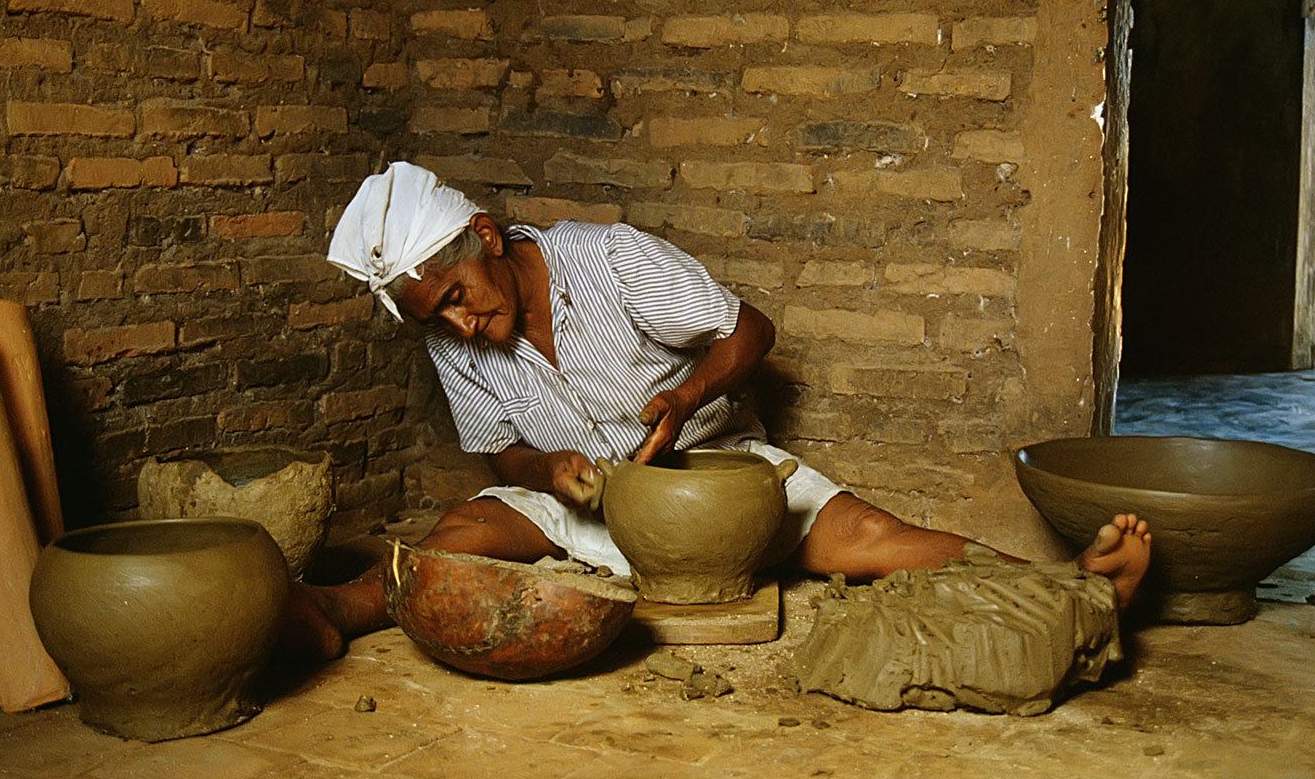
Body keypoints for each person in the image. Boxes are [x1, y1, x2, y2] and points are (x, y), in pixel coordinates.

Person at [282, 162, 1151, 659]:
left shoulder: (609, 260)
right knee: (464, 530)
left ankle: (1071, 585)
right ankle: (340, 611)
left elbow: (750, 330)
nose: (463, 323)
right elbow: (503, 453)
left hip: (718, 486)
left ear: (484, 235)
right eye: (440, 316)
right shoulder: (453, 342)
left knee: (872, 540)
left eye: (460, 297)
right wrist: (546, 472)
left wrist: (689, 394)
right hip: (587, 506)